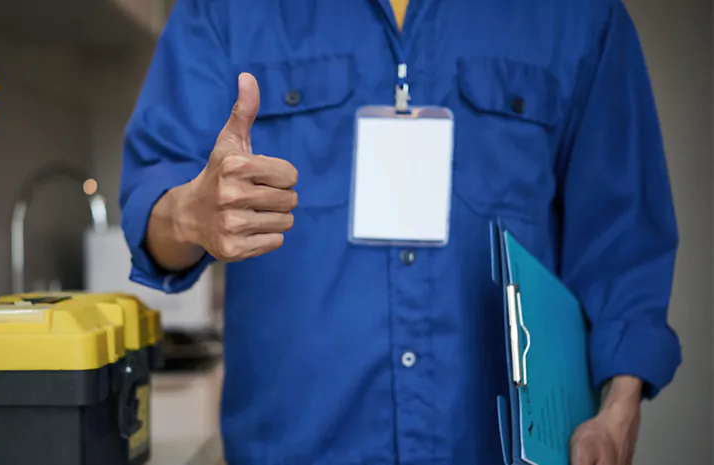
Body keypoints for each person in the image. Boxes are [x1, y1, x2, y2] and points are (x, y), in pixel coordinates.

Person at [119, 0, 681, 464]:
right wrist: (192, 211)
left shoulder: (581, 14)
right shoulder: (223, 10)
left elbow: (621, 234)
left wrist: (619, 406)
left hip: (505, 450)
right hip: (293, 448)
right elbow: (153, 199)